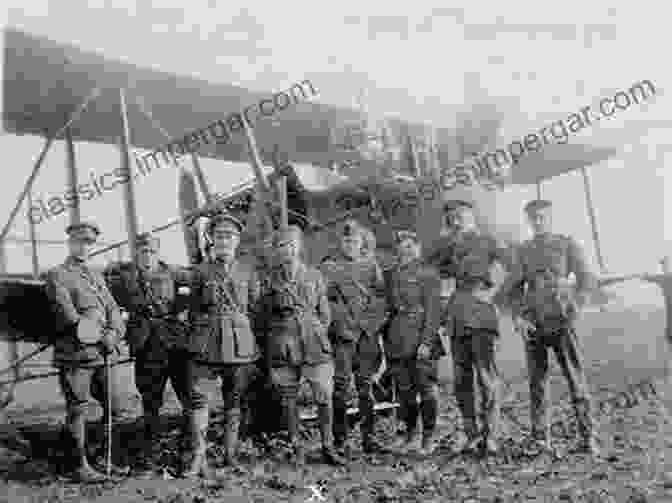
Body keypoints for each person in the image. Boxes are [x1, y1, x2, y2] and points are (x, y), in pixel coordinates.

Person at [500, 199, 599, 455]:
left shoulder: (566, 244)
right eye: (533, 218)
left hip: (562, 319)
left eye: (542, 216)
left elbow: (587, 279)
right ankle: (540, 439)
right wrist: (517, 317)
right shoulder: (524, 251)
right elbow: (509, 291)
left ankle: (588, 438)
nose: (538, 221)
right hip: (534, 324)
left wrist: (577, 304)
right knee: (537, 383)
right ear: (528, 221)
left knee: (575, 378)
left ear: (551, 218)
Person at [257, 225, 346, 466]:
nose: (288, 249)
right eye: (282, 245)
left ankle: (328, 445)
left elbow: (324, 313)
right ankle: (297, 447)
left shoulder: (315, 275)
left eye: (292, 244)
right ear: (277, 250)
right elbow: (263, 316)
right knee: (288, 399)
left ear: (300, 247)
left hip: (314, 343)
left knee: (324, 395)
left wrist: (314, 330)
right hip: (282, 343)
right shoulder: (269, 279)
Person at [183, 211, 262, 478]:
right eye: (219, 236)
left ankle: (230, 454)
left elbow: (255, 307)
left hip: (239, 346)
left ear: (237, 240)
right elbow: (193, 310)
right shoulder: (200, 271)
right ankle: (199, 456)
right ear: (211, 240)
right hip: (206, 345)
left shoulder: (248, 271)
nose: (224, 240)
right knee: (199, 399)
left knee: (234, 400)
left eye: (229, 236)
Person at [104, 232, 191, 476]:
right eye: (142, 252)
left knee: (187, 397)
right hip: (145, 345)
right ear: (136, 254)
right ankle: (151, 452)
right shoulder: (124, 278)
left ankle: (188, 450)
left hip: (175, 345)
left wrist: (181, 315)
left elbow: (188, 298)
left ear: (158, 252)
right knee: (150, 401)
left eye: (151, 251)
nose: (147, 256)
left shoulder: (175, 273)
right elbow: (117, 307)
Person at [45, 222, 126, 483]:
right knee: (78, 409)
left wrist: (115, 331)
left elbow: (113, 309)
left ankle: (103, 458)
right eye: (80, 242)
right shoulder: (57, 274)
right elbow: (69, 316)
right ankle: (79, 465)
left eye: (90, 243)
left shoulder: (96, 276)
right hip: (76, 354)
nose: (85, 247)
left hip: (103, 354)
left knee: (115, 405)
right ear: (70, 243)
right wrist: (103, 336)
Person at [428, 200, 509, 455]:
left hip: (482, 312)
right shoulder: (449, 246)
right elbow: (429, 267)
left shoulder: (488, 241)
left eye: (460, 215)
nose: (455, 220)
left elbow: (516, 268)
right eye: (451, 217)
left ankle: (491, 434)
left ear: (472, 216)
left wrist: (496, 295)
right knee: (462, 379)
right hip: (458, 315)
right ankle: (471, 433)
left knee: (487, 377)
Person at [319, 219, 386, 455]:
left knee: (366, 386)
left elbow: (380, 299)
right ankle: (340, 439)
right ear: (341, 243)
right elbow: (324, 301)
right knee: (340, 387)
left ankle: (369, 438)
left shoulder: (370, 266)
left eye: (354, 241)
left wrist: (369, 325)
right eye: (346, 241)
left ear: (362, 243)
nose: (350, 245)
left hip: (366, 334)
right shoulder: (330, 267)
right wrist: (341, 324)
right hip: (342, 336)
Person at [381, 229, 442, 455]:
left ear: (418, 248)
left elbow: (434, 312)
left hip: (420, 336)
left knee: (426, 389)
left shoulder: (428, 274)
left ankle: (428, 438)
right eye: (401, 246)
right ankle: (409, 435)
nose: (405, 250)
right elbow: (386, 307)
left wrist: (426, 342)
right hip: (397, 337)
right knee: (404, 391)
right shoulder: (389, 274)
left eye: (410, 246)